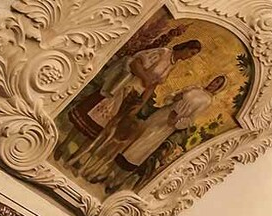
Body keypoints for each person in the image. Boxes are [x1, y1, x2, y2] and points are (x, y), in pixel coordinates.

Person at [57, 40, 202, 163]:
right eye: (191, 52)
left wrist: (140, 103)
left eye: (194, 55)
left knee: (105, 129)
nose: (190, 56)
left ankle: (75, 157)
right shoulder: (163, 53)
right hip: (122, 88)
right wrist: (145, 77)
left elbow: (152, 86)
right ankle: (63, 147)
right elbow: (135, 63)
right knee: (90, 117)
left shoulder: (172, 64)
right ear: (185, 47)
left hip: (132, 97)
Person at [103, 75, 228, 193]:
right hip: (162, 115)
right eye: (215, 80)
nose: (214, 83)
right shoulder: (195, 87)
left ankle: (116, 182)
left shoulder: (207, 101)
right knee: (135, 139)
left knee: (140, 149)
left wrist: (176, 122)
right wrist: (174, 98)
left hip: (168, 124)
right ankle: (107, 173)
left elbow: (191, 119)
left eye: (218, 83)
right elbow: (171, 97)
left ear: (219, 87)